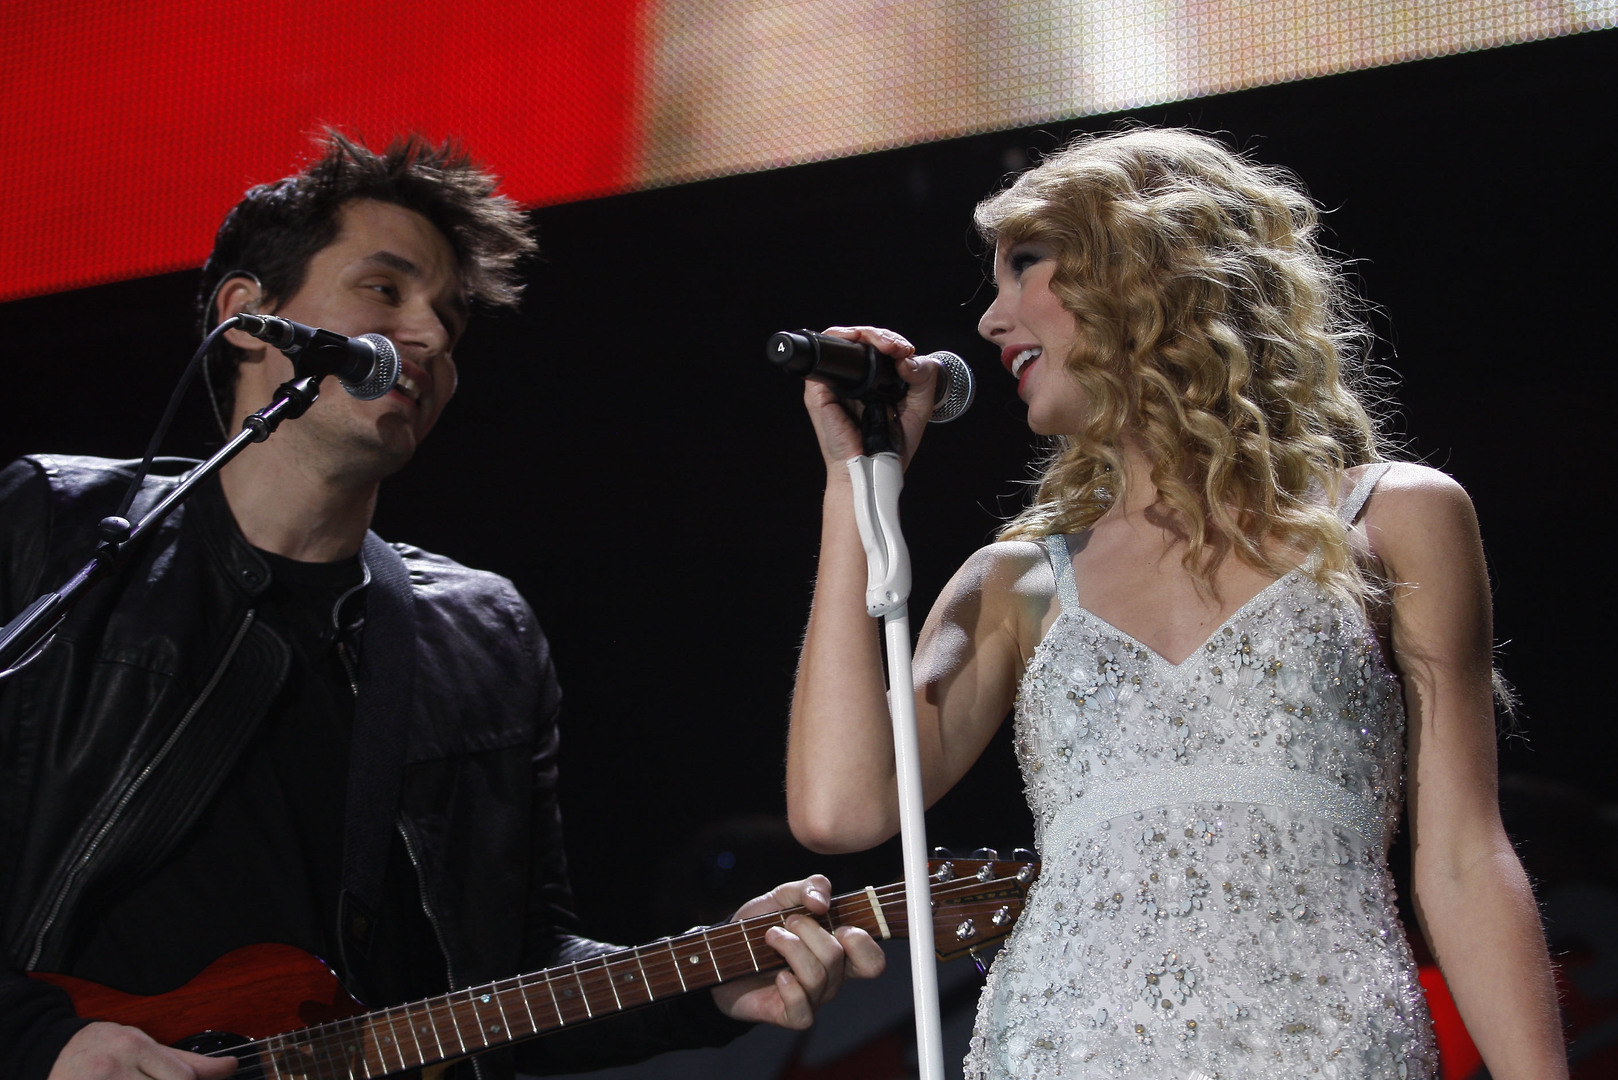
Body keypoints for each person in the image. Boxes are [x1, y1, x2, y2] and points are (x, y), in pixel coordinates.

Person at [0, 131, 883, 1080]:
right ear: (247, 318)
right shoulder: (55, 523)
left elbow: (511, 972)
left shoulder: (479, 633)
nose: (424, 336)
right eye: (384, 290)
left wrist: (705, 984)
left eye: (449, 322)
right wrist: (40, 1040)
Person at [784, 128, 1565, 1079]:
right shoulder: (1019, 581)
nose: (990, 321)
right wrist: (853, 489)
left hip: (1328, 1046)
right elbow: (841, 808)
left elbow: (1464, 859)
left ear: (1146, 263)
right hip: (1065, 1048)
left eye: (1025, 265)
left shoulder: (1394, 517)